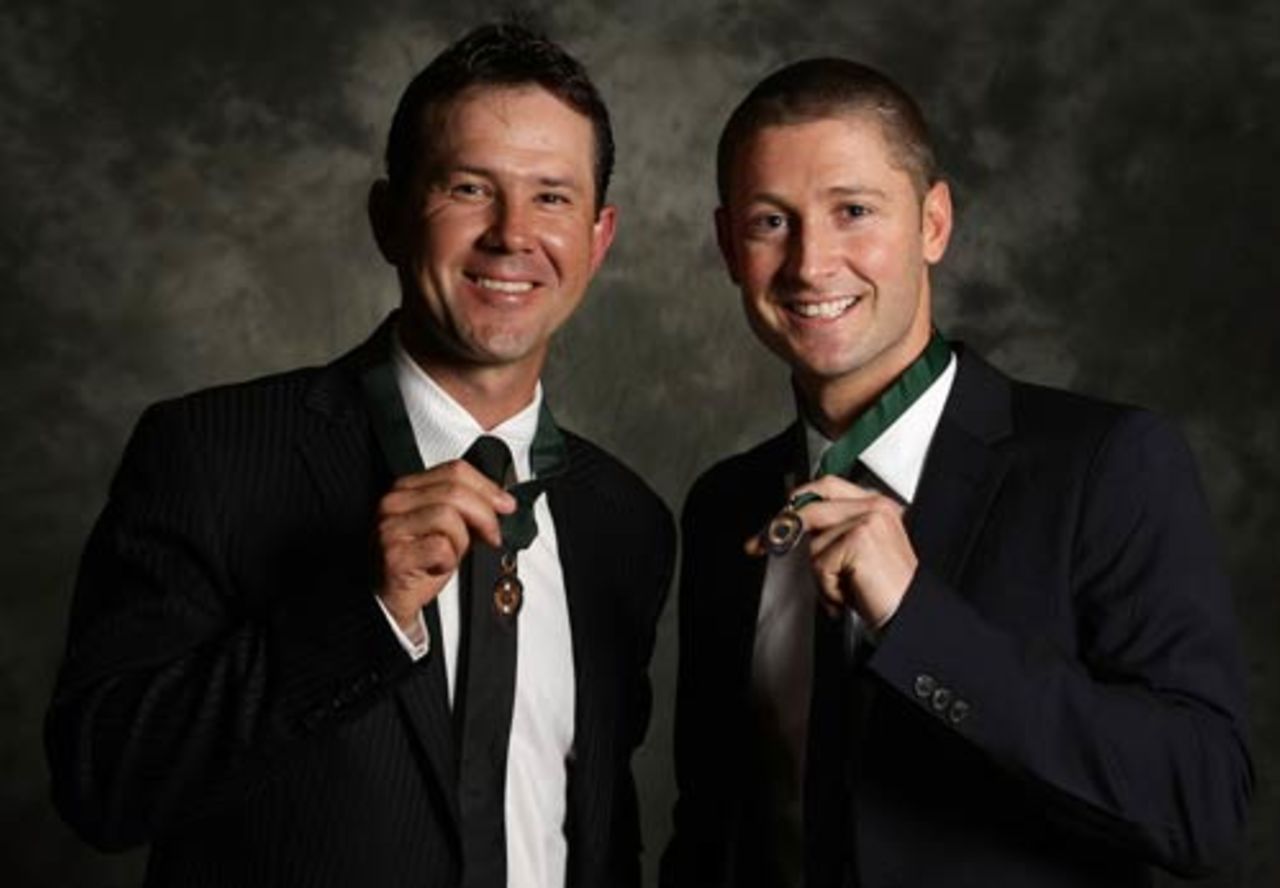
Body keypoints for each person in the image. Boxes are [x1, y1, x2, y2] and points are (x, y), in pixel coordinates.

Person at [45, 23, 674, 888]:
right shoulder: (209, 454)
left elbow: (596, 824)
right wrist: (362, 614)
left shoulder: (627, 521)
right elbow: (103, 784)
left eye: (552, 198)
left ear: (599, 239)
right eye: (468, 188)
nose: (512, 234)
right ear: (388, 219)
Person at [660, 58, 1252, 888]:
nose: (811, 263)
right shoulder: (727, 507)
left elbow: (1201, 804)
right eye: (770, 222)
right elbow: (714, 827)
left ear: (934, 223)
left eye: (854, 211)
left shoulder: (1108, 465)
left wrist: (916, 618)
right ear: (728, 247)